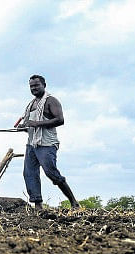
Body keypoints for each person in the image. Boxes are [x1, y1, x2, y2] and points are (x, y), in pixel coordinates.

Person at [17, 75, 80, 210]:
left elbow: (60, 120)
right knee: (29, 173)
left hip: (46, 144)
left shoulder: (51, 101)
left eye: (36, 85)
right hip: (32, 144)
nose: (33, 88)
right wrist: (24, 127)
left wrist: (35, 123)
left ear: (44, 85)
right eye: (31, 86)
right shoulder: (31, 104)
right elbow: (31, 126)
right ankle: (38, 205)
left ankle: (74, 202)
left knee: (51, 173)